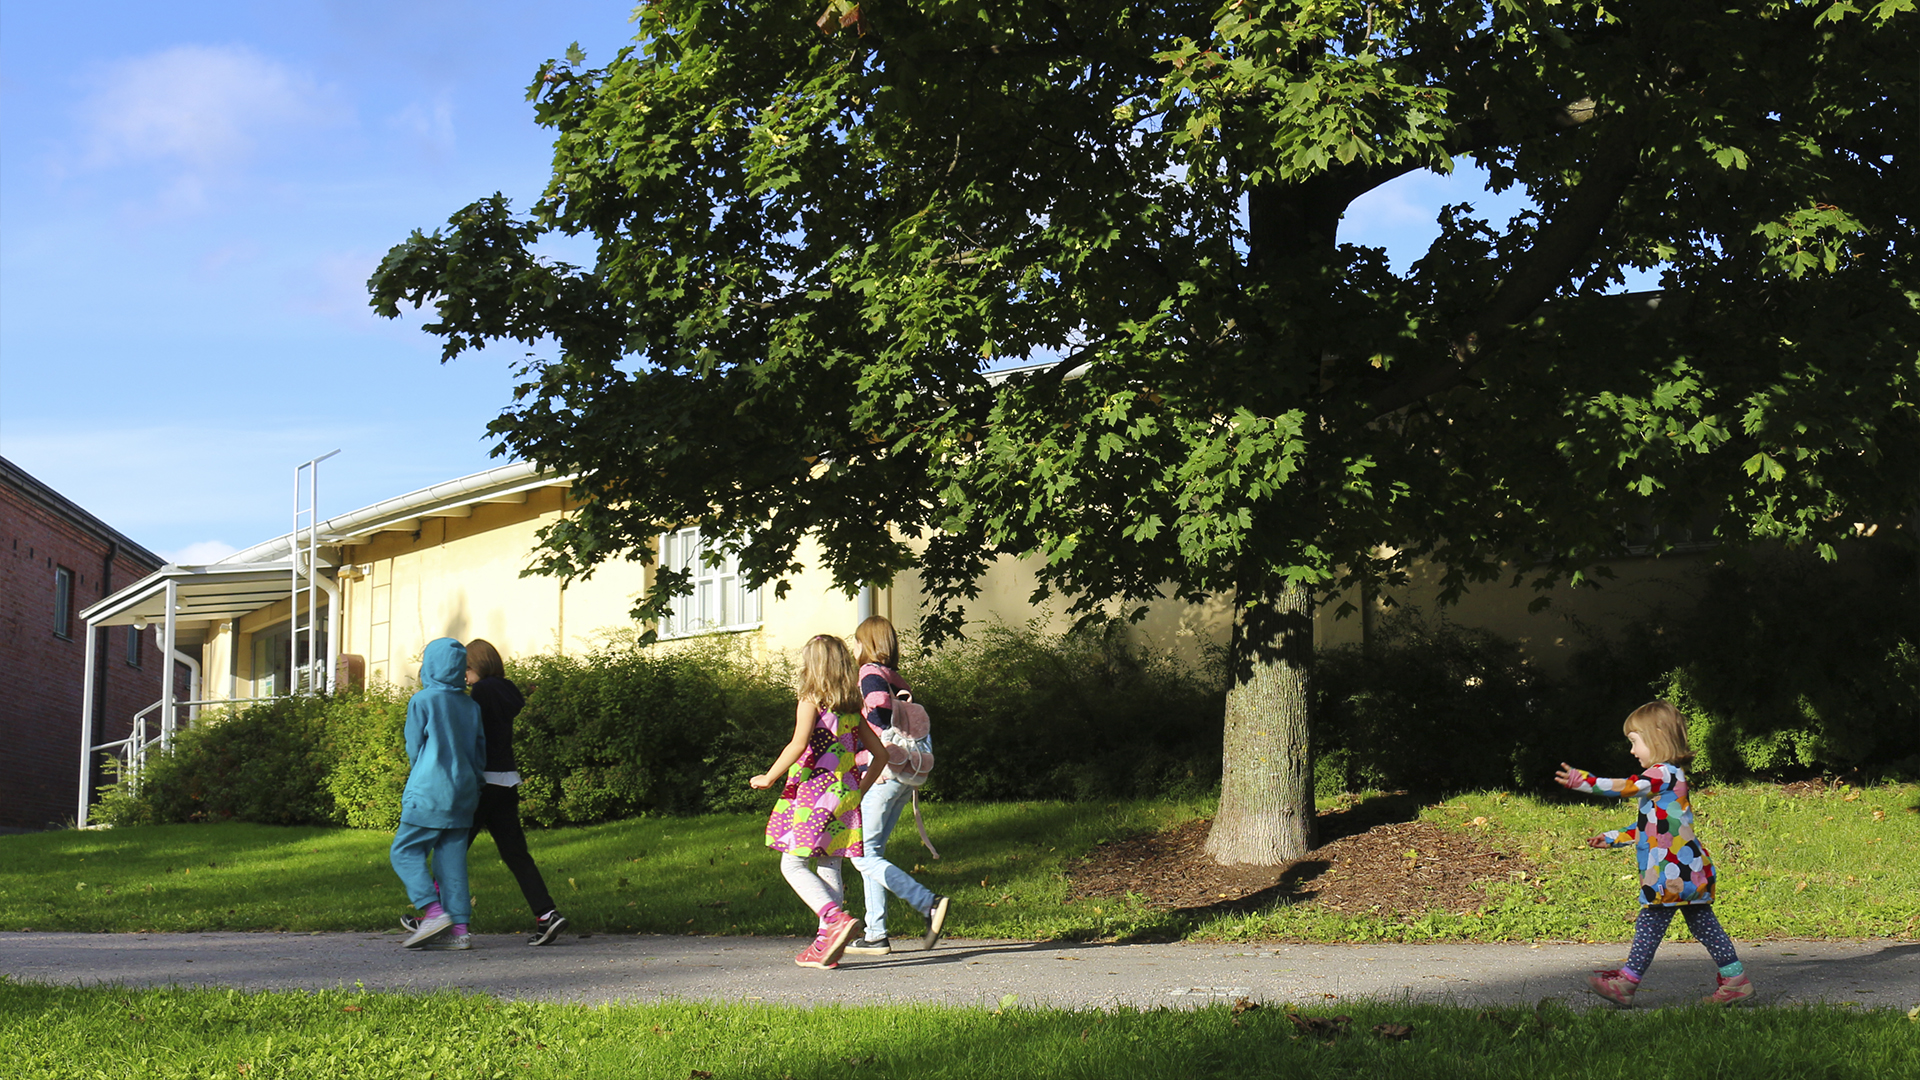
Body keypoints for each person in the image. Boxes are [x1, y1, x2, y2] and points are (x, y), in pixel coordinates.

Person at [1555, 701, 1753, 1006]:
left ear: (1657, 737)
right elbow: (1654, 827)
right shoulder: (1669, 778)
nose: (1632, 751)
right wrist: (1613, 837)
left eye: (1635, 741)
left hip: (1672, 872)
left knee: (1651, 922)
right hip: (1684, 868)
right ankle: (1735, 980)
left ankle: (1627, 983)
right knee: (1702, 923)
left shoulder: (1662, 774)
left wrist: (1588, 784)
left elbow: (1626, 787)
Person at [752, 634, 888, 969]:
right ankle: (827, 946)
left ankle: (833, 918)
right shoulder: (853, 709)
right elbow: (881, 754)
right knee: (830, 864)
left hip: (814, 793)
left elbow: (798, 744)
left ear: (813, 665)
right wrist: (861, 790)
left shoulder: (810, 699)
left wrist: (769, 777)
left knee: (793, 864)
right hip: (844, 794)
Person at [843, 615, 951, 957]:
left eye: (858, 640)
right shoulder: (895, 678)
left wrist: (863, 730)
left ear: (868, 643)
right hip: (905, 774)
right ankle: (876, 934)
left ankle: (928, 903)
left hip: (881, 772)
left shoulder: (869, 674)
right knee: (872, 854)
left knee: (862, 855)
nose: (854, 646)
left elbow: (878, 710)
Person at [461, 639, 568, 946]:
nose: (464, 676)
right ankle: (546, 913)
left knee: (453, 847)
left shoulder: (480, 692)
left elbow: (471, 734)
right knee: (515, 853)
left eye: (466, 668)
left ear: (476, 666)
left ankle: (435, 915)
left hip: (484, 780)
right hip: (507, 779)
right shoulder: (508, 690)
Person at [390, 637, 487, 950]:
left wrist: (420, 773)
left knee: (404, 851)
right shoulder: (471, 705)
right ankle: (459, 931)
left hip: (430, 790)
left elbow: (414, 746)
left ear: (428, 666)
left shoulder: (423, 701)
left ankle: (432, 913)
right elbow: (479, 751)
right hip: (464, 793)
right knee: (452, 862)